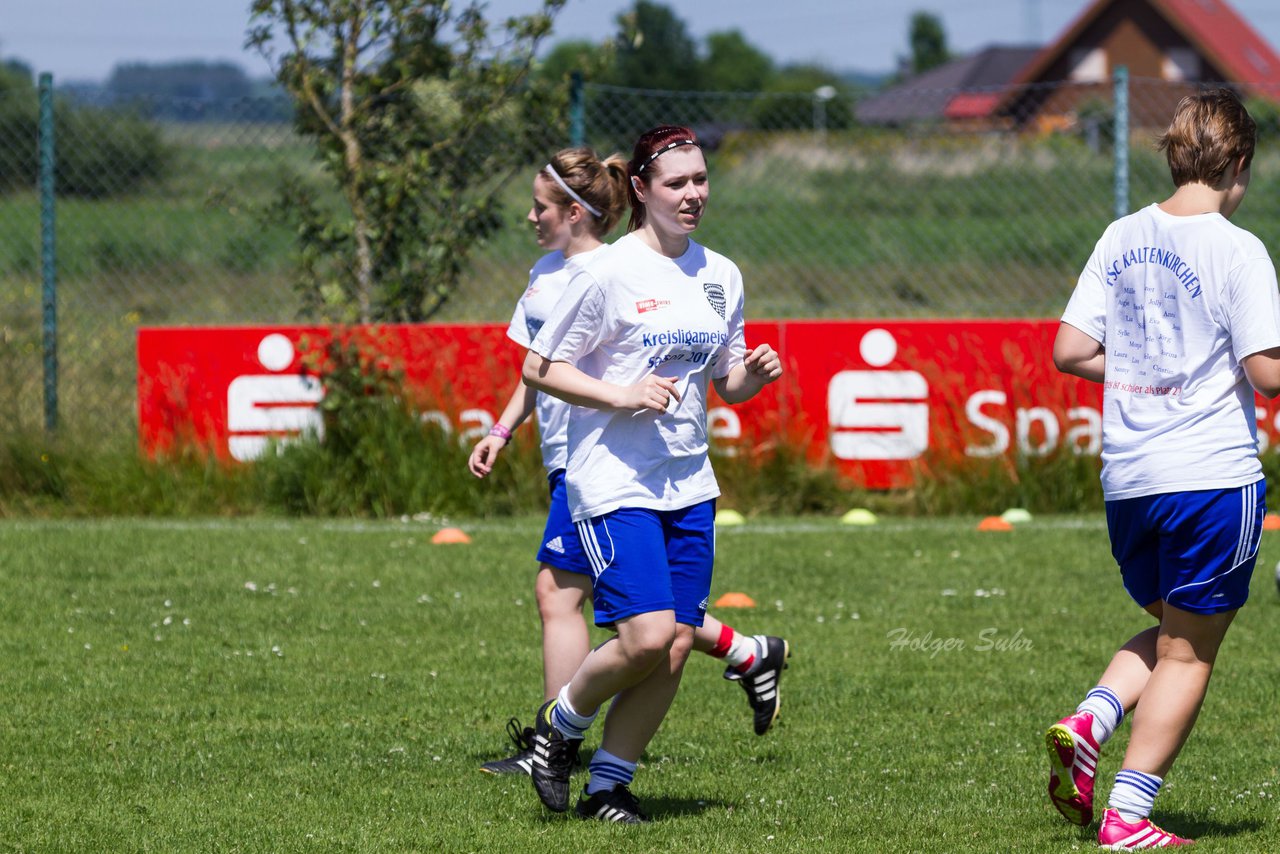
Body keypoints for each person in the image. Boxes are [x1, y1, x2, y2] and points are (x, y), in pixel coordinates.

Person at [469, 147, 791, 780]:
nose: (694, 192)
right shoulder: (586, 274)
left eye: (701, 179)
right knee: (630, 624)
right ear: (643, 189)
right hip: (605, 475)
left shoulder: (718, 274)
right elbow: (538, 366)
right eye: (679, 182)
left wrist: (752, 376)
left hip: (686, 482)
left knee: (658, 633)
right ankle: (559, 730)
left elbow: (725, 381)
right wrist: (514, 425)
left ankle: (604, 776)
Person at [1047, 88, 1280, 850]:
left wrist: (1146, 369)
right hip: (1211, 476)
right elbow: (1267, 372)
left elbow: (1071, 351)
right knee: (1191, 649)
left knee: (1173, 630)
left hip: (1132, 481)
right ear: (1238, 164)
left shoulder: (1121, 235)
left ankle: (1092, 718)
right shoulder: (1237, 247)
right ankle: (1127, 815)